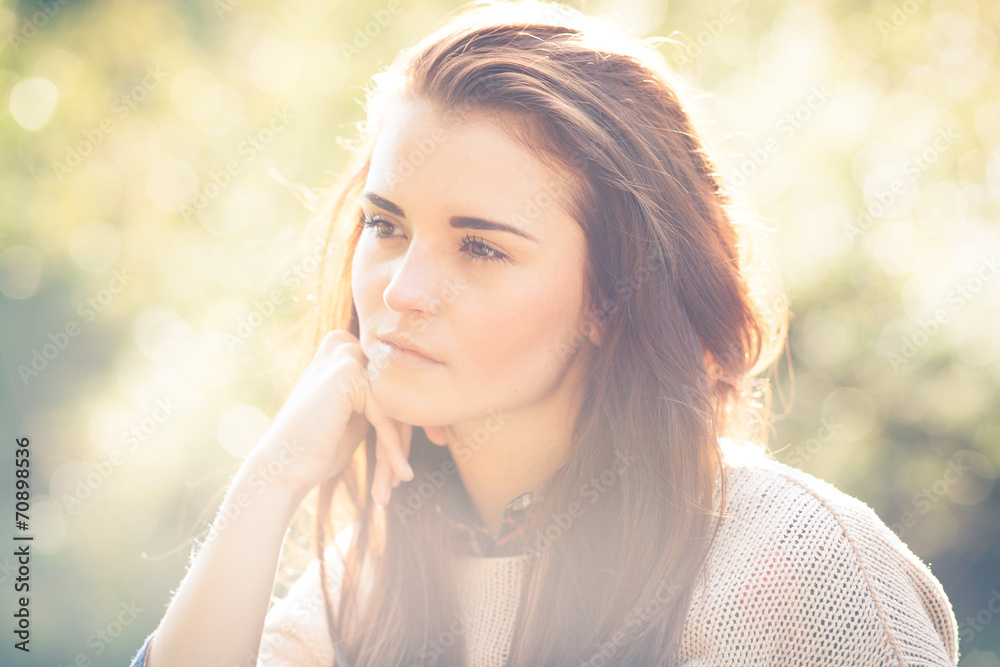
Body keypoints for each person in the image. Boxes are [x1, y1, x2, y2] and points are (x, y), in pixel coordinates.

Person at [128, 1, 960, 665]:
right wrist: (270, 480)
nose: (403, 289)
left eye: (481, 246)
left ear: (612, 292)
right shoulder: (371, 580)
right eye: (386, 226)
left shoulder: (795, 564)